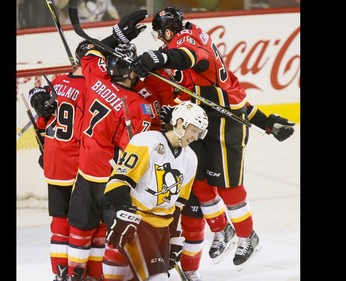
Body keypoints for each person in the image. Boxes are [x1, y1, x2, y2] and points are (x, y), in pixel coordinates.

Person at [131, 6, 295, 280]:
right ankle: (222, 229)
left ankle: (248, 237)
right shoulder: (185, 40)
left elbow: (193, 58)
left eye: (162, 36)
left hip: (223, 122)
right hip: (205, 118)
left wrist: (160, 56)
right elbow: (230, 88)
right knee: (201, 181)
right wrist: (265, 121)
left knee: (228, 186)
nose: (161, 40)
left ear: (169, 31)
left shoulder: (185, 40)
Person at [65, 39, 156, 280]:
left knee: (80, 230)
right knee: (112, 235)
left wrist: (116, 35)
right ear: (130, 71)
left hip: (85, 172)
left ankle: (75, 275)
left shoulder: (96, 80)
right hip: (112, 179)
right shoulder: (138, 105)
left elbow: (88, 54)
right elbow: (138, 148)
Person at [103, 101, 209, 281]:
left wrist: (175, 238)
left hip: (163, 230)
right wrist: (124, 211)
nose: (196, 137)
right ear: (180, 123)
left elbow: (177, 206)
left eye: (199, 133)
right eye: (194, 130)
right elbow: (117, 183)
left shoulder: (190, 159)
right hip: (138, 223)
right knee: (157, 278)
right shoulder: (148, 141)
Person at [27, 40, 90, 281]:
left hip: (55, 163)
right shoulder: (92, 88)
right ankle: (78, 272)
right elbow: (89, 131)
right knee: (82, 222)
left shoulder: (56, 83)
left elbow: (43, 121)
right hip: (77, 165)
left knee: (59, 221)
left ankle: (59, 273)